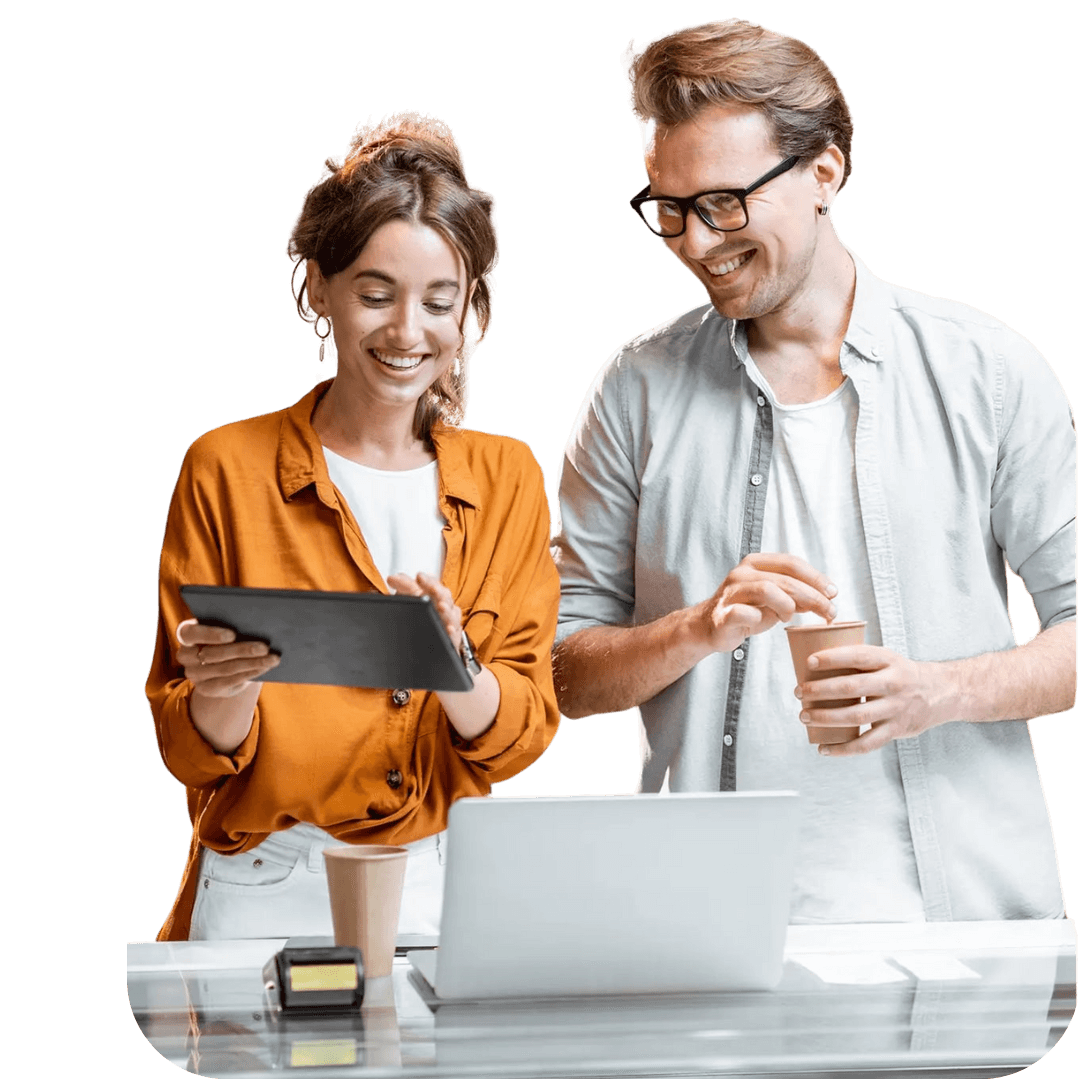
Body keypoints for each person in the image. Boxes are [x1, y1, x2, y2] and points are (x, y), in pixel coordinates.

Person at [552, 20, 1076, 922]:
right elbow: (554, 669)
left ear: (824, 174)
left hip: (959, 937)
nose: (694, 241)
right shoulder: (632, 390)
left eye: (723, 202)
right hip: (701, 932)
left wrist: (938, 691)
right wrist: (693, 630)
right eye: (668, 207)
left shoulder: (986, 369)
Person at [147, 111, 560, 941]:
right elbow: (190, 751)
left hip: (445, 889)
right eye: (375, 295)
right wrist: (227, 691)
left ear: (469, 309)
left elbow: (517, 738)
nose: (408, 333)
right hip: (267, 885)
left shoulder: (509, 475)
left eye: (439, 302)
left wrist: (455, 666)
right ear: (317, 291)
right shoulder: (224, 467)